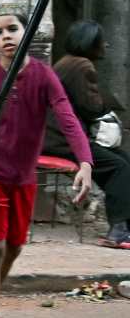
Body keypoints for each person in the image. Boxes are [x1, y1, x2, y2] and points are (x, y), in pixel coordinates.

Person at [0, 6, 92, 318]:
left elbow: (67, 116)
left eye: (12, 29)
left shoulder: (43, 75)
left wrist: (84, 161)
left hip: (23, 176)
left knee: (16, 245)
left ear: (26, 33)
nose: (6, 36)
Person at [43, 19, 130, 249]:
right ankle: (119, 231)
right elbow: (90, 107)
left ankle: (124, 226)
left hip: (56, 137)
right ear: (90, 43)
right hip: (62, 140)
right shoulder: (82, 66)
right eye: (102, 41)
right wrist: (109, 102)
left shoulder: (66, 62)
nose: (106, 45)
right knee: (119, 167)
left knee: (122, 161)